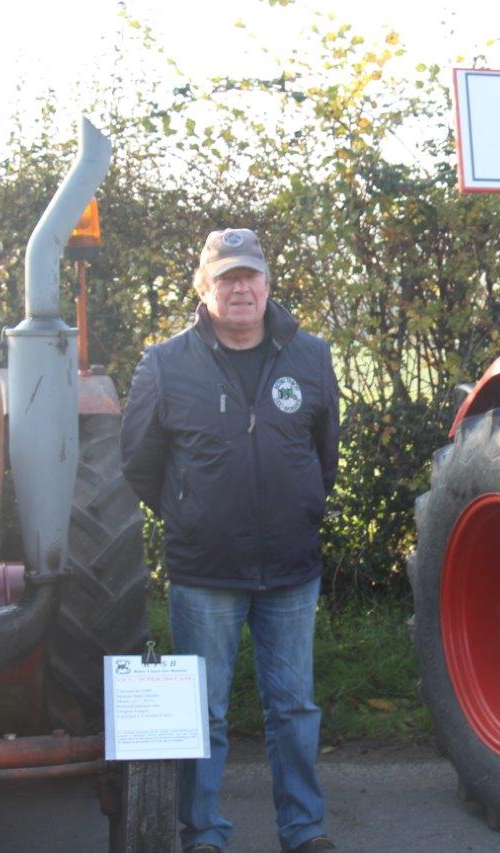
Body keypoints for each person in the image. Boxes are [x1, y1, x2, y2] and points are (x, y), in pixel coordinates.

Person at [121, 227, 340, 853]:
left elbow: (323, 455)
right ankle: (205, 833)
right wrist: (188, 515)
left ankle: (304, 830)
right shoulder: (164, 364)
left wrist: (300, 509)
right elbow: (139, 463)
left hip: (293, 569)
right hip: (205, 572)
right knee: (204, 713)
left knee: (294, 708)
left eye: (249, 276)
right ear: (204, 288)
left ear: (268, 285)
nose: (239, 288)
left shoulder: (312, 356)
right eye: (226, 277)